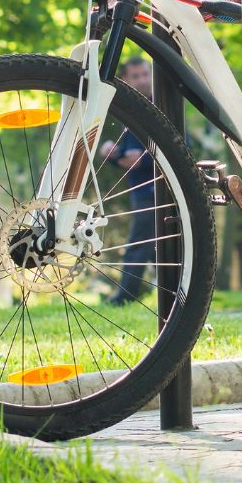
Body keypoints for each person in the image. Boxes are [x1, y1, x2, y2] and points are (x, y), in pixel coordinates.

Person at [97, 58, 156, 306]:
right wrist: (114, 153)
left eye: (145, 74)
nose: (142, 80)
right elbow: (132, 156)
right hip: (141, 190)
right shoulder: (132, 110)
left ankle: (123, 298)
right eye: (136, 76)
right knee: (156, 248)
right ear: (126, 80)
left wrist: (127, 157)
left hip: (155, 190)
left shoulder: (158, 106)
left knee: (138, 246)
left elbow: (177, 148)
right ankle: (176, 295)